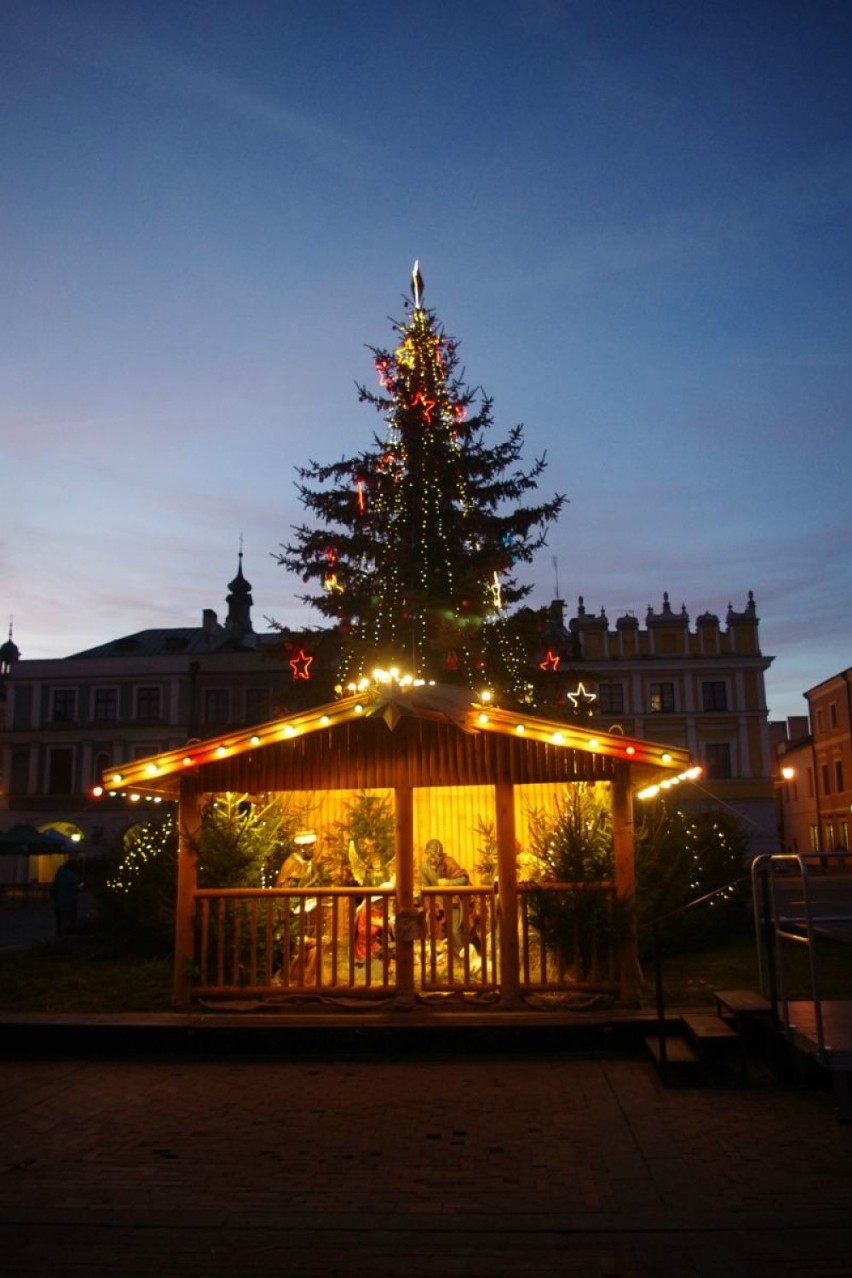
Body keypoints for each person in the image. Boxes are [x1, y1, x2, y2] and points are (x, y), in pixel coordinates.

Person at [420, 838, 474, 961]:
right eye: (430, 854)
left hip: (453, 900)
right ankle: (450, 957)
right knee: (436, 930)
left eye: (435, 854)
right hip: (438, 903)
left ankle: (464, 959)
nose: (432, 857)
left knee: (454, 930)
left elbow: (463, 879)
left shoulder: (449, 862)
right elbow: (424, 884)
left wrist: (448, 882)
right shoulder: (424, 866)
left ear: (440, 853)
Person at [50, 859, 80, 937]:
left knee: (60, 920)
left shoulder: (59, 873)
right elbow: (75, 887)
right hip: (69, 900)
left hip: (59, 901)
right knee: (71, 919)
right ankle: (69, 936)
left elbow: (54, 887)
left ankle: (60, 935)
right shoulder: (71, 875)